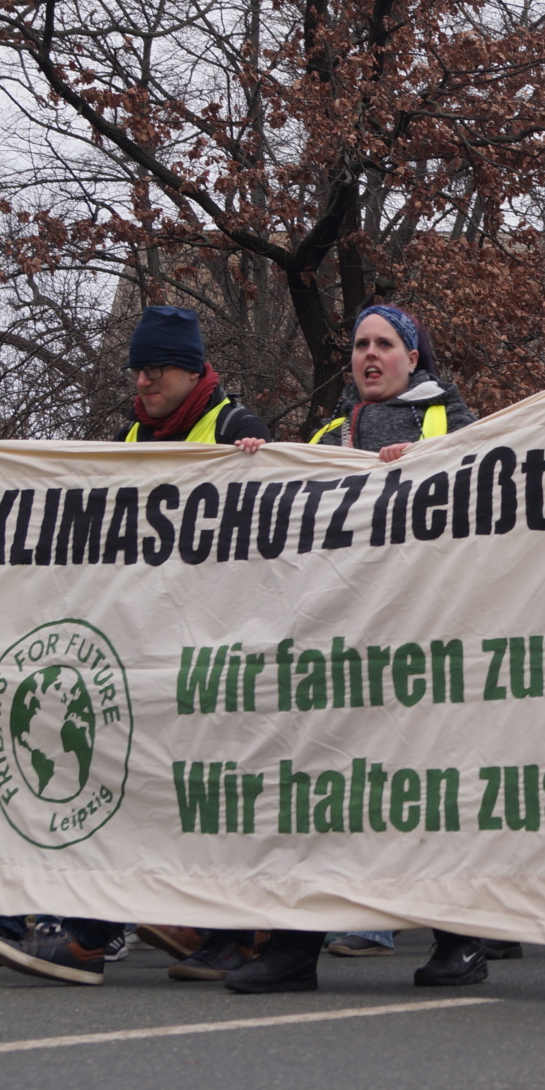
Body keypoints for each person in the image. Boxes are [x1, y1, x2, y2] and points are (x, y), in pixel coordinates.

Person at [0, 306, 273, 987]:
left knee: (209, 790)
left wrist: (263, 469)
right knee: (120, 775)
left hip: (215, 649)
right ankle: (93, 933)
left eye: (154, 368)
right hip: (145, 645)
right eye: (136, 369)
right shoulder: (127, 438)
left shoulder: (237, 429)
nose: (141, 380)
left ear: (191, 368)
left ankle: (230, 933)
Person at [221, 302, 478, 995]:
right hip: (336, 644)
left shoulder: (450, 422)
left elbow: (489, 493)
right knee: (314, 787)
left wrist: (429, 465)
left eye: (384, 344)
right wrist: (257, 467)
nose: (369, 355)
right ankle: (294, 948)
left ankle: (459, 938)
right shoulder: (331, 432)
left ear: (413, 357)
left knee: (427, 792)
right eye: (361, 344)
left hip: (419, 639)